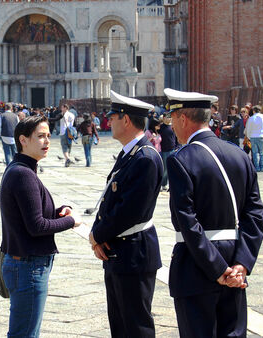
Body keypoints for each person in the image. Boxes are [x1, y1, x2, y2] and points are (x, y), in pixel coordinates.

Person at [164, 88, 263, 338]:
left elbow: (187, 222)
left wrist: (218, 269)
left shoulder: (181, 159)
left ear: (183, 119)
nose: (172, 127)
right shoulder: (239, 155)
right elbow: (255, 214)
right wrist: (241, 264)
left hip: (197, 265)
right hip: (235, 261)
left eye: (173, 120)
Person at [89, 91, 164, 338]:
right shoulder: (130, 153)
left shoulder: (145, 158)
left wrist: (96, 235)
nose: (108, 122)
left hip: (134, 251)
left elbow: (130, 211)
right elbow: (111, 198)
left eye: (113, 117)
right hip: (119, 249)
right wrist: (99, 236)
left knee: (135, 325)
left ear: (126, 120)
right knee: (120, 324)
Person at [0, 115, 81, 337]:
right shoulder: (23, 174)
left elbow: (29, 214)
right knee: (25, 334)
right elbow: (36, 225)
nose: (47, 141)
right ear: (23, 140)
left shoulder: (20, 169)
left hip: (23, 264)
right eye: (41, 137)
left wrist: (58, 211)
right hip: (28, 267)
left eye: (48, 136)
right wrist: (71, 221)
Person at [245, 105, 263, 172]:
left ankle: (257, 167)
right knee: (262, 153)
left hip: (253, 136)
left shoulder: (251, 118)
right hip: (261, 136)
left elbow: (248, 129)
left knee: (255, 153)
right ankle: (262, 167)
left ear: (253, 111)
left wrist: (249, 137)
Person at [159, 115, 176, 191]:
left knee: (173, 168)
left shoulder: (173, 126)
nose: (169, 119)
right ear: (164, 118)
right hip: (164, 150)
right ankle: (163, 184)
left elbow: (176, 137)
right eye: (167, 117)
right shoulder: (161, 127)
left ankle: (171, 185)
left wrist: (177, 147)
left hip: (172, 149)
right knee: (165, 168)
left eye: (170, 117)